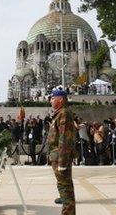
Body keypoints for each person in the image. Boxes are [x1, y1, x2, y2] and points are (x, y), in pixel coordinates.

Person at [48, 87, 76, 215]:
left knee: (65, 188)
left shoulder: (64, 113)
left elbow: (65, 138)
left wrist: (62, 162)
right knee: (63, 186)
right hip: (57, 155)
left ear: (60, 100)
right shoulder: (59, 114)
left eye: (53, 98)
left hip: (60, 156)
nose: (51, 101)